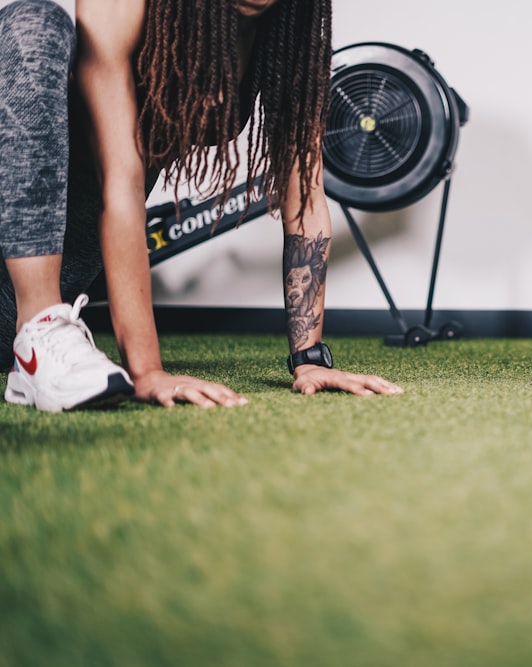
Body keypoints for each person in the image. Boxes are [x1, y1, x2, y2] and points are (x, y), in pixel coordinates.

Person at [0, 0, 403, 412]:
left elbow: (305, 193)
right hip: (24, 294)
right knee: (33, 20)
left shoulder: (286, 31)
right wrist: (146, 371)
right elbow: (119, 184)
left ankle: (39, 339)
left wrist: (309, 359)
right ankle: (40, 327)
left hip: (25, 302)